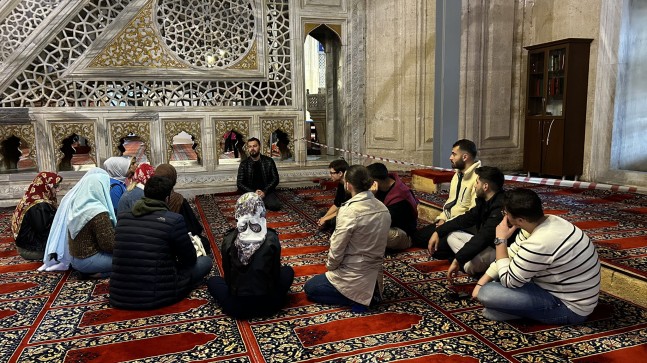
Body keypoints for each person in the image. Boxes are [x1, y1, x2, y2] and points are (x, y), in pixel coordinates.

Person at [472, 188, 601, 325]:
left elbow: (508, 281)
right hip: (556, 287)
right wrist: (482, 280)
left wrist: (500, 240)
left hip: (569, 308)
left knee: (488, 293)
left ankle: (520, 312)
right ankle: (513, 310)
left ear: (520, 220)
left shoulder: (540, 242)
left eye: (506, 213)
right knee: (493, 280)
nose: (504, 216)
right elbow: (512, 253)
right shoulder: (545, 221)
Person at [110, 176, 213, 310]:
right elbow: (189, 259)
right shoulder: (173, 220)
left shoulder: (123, 217)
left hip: (119, 294)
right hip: (157, 294)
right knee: (205, 261)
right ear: (167, 198)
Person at [304, 165, 391, 312]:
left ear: (348, 184)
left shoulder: (349, 211)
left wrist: (331, 267)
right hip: (375, 275)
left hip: (352, 276)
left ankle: (357, 298)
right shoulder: (383, 208)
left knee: (310, 288)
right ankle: (368, 294)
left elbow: (337, 248)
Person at [206, 192, 294, 319]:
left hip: (237, 307)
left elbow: (228, 279)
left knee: (213, 281)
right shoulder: (271, 238)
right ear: (261, 211)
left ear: (238, 212)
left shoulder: (229, 239)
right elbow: (275, 275)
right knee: (288, 271)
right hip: (269, 306)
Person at [427, 166, 505, 282]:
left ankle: (478, 265)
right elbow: (465, 219)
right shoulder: (484, 201)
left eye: (477, 182)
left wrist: (457, 260)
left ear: (485, 186)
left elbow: (483, 237)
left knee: (469, 266)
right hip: (485, 244)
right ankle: (471, 262)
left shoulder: (500, 207)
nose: (474, 186)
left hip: (497, 248)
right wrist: (438, 231)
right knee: (451, 235)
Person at [412, 139, 481, 248]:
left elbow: (472, 214)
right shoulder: (457, 175)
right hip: (448, 222)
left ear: (465, 157)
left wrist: (446, 227)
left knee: (438, 249)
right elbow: (450, 202)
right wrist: (442, 218)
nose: (450, 157)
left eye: (454, 154)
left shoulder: (478, 179)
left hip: (462, 226)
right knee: (417, 238)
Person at [39, 168, 108, 272]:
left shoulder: (74, 192)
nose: (57, 190)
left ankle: (55, 259)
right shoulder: (88, 199)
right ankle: (62, 261)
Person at [68, 171, 118, 277]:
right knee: (131, 261)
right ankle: (97, 274)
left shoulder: (77, 205)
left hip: (74, 259)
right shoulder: (97, 211)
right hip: (88, 260)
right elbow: (109, 245)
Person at [155, 163, 210, 254]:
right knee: (204, 244)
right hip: (172, 243)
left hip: (153, 241)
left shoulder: (148, 194)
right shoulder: (177, 199)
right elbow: (192, 228)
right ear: (173, 179)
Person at [367, 162, 419, 251]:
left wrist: (371, 198)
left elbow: (381, 220)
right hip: (385, 224)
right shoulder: (380, 187)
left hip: (402, 233)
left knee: (369, 231)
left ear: (375, 181)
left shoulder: (400, 196)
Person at [11, 172, 62, 260]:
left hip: (27, 245)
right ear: (46, 186)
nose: (58, 190)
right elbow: (46, 231)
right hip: (31, 250)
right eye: (55, 187)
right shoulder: (39, 206)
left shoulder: (32, 198)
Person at [236, 137, 281, 211]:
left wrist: (265, 191)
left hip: (266, 191)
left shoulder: (269, 161)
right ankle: (259, 203)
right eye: (250, 147)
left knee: (275, 206)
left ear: (259, 147)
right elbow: (239, 183)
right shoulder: (244, 164)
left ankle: (260, 202)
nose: (252, 148)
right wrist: (254, 193)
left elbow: (275, 179)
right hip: (251, 191)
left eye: (255, 146)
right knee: (246, 208)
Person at [317, 159, 350, 231]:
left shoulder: (350, 186)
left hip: (349, 212)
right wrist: (324, 217)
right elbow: (337, 204)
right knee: (322, 214)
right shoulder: (341, 184)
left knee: (335, 220)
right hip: (342, 211)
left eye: (332, 173)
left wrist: (326, 218)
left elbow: (346, 210)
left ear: (340, 173)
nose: (330, 175)